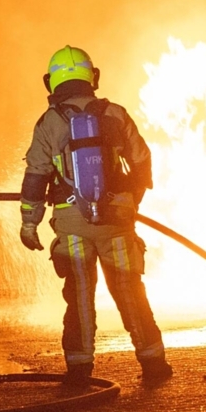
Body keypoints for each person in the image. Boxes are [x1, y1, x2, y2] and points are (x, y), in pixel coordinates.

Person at [18, 45, 171, 385]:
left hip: (72, 225)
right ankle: (153, 364)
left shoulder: (49, 123)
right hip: (116, 223)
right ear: (92, 77)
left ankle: (79, 369)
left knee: (80, 296)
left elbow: (35, 176)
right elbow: (142, 161)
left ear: (52, 82)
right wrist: (129, 201)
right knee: (130, 292)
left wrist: (30, 222)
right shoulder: (115, 114)